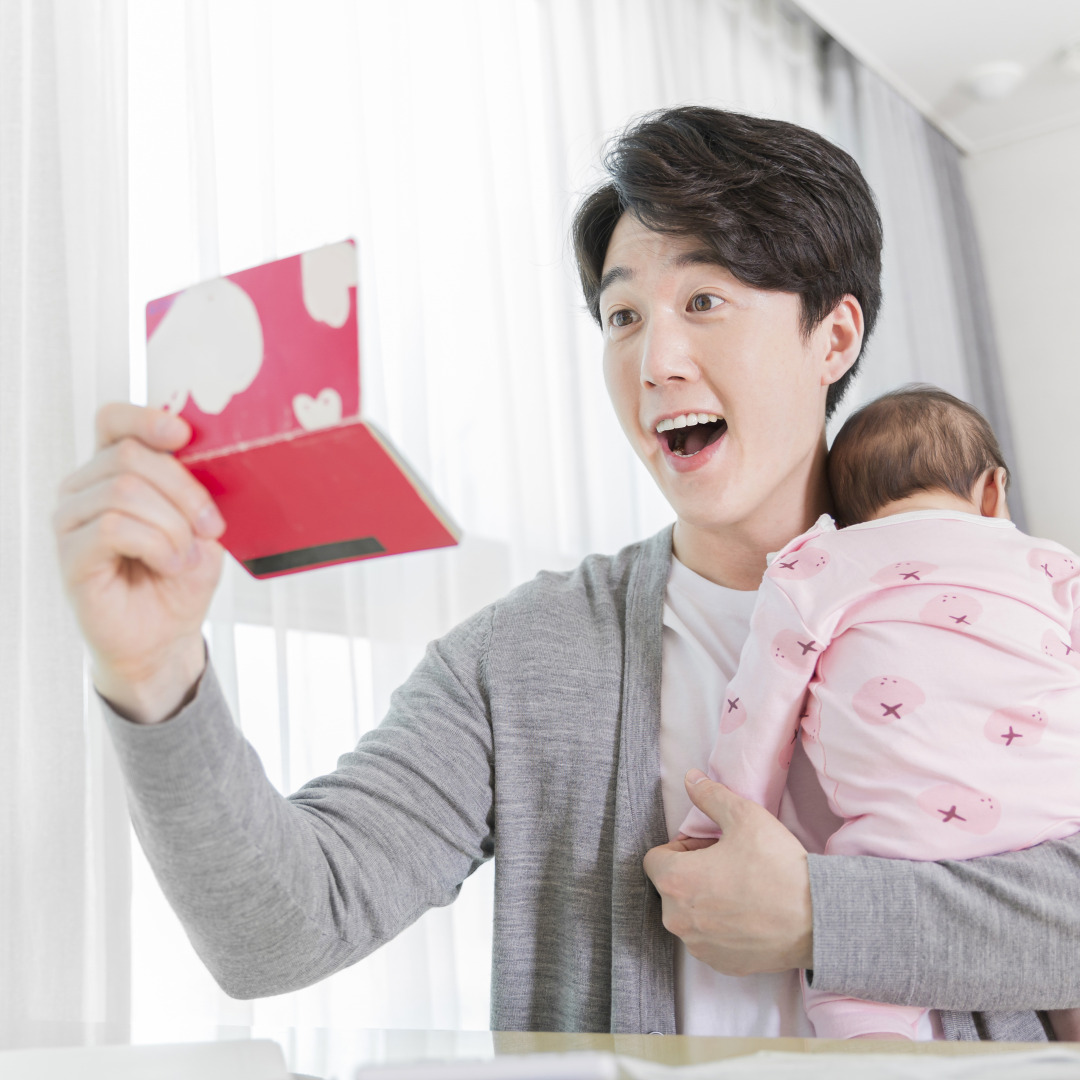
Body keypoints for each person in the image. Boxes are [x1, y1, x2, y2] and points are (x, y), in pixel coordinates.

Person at [53, 106, 1080, 1039]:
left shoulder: (1012, 605)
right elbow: (276, 934)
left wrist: (823, 915)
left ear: (835, 336)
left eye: (705, 300)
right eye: (623, 316)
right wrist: (153, 673)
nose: (655, 361)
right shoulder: (522, 658)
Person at [680, 385, 1080, 1041]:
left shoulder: (818, 566)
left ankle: (873, 1041)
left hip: (896, 847)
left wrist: (721, 824)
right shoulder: (1053, 565)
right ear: (993, 491)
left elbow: (759, 711)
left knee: (858, 987)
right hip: (1052, 830)